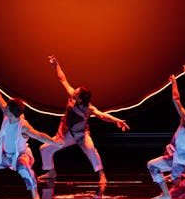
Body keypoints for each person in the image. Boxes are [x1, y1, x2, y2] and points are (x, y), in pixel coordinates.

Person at [0, 75, 62, 199]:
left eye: (8, 112)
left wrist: (54, 142)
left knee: (25, 168)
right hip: (4, 156)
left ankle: (36, 197)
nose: (6, 112)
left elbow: (38, 135)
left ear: (15, 114)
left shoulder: (23, 126)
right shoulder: (7, 113)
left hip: (21, 156)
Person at [37, 55, 130, 184]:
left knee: (91, 149)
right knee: (45, 148)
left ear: (81, 98)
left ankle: (101, 175)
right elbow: (62, 79)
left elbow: (102, 115)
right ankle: (51, 172)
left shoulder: (88, 108)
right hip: (66, 134)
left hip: (81, 135)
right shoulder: (72, 96)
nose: (73, 91)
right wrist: (56, 65)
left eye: (77, 92)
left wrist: (117, 120)